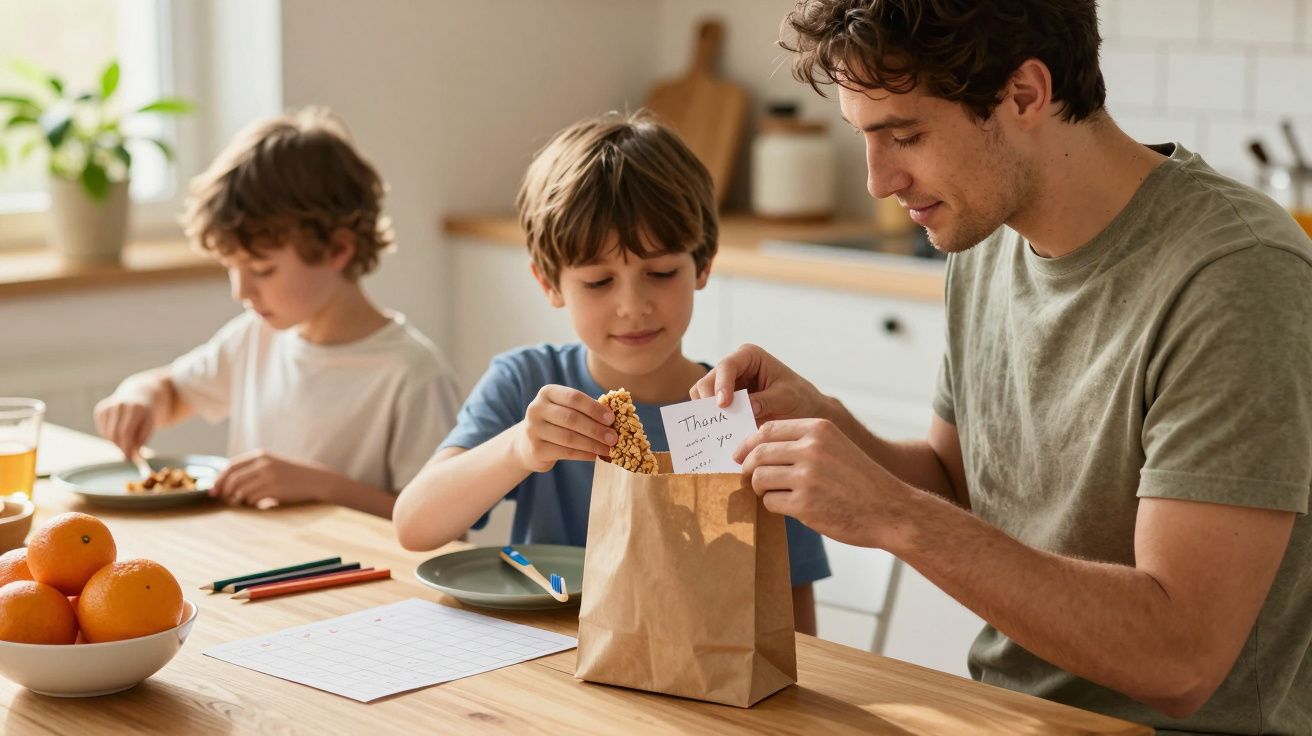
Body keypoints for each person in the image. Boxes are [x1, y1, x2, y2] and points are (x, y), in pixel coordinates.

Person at [692, 1, 1312, 731]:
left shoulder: (1238, 277)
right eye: (865, 137)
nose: (878, 181)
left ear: (1024, 94)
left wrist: (892, 515)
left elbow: (1180, 661)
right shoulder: (985, 237)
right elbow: (957, 484)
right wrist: (826, 421)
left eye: (906, 135)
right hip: (1008, 713)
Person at [394, 111, 830, 632]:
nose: (633, 306)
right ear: (549, 283)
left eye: (661, 272)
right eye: (599, 282)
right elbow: (415, 524)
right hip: (549, 660)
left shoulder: (742, 413)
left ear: (703, 264)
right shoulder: (526, 383)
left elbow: (794, 618)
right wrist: (520, 449)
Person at [94, 108, 461, 518]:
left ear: (339, 249)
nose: (240, 291)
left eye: (261, 270)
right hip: (256, 553)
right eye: (231, 267)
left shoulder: (413, 376)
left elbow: (442, 525)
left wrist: (321, 486)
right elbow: (172, 392)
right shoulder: (253, 338)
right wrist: (138, 396)